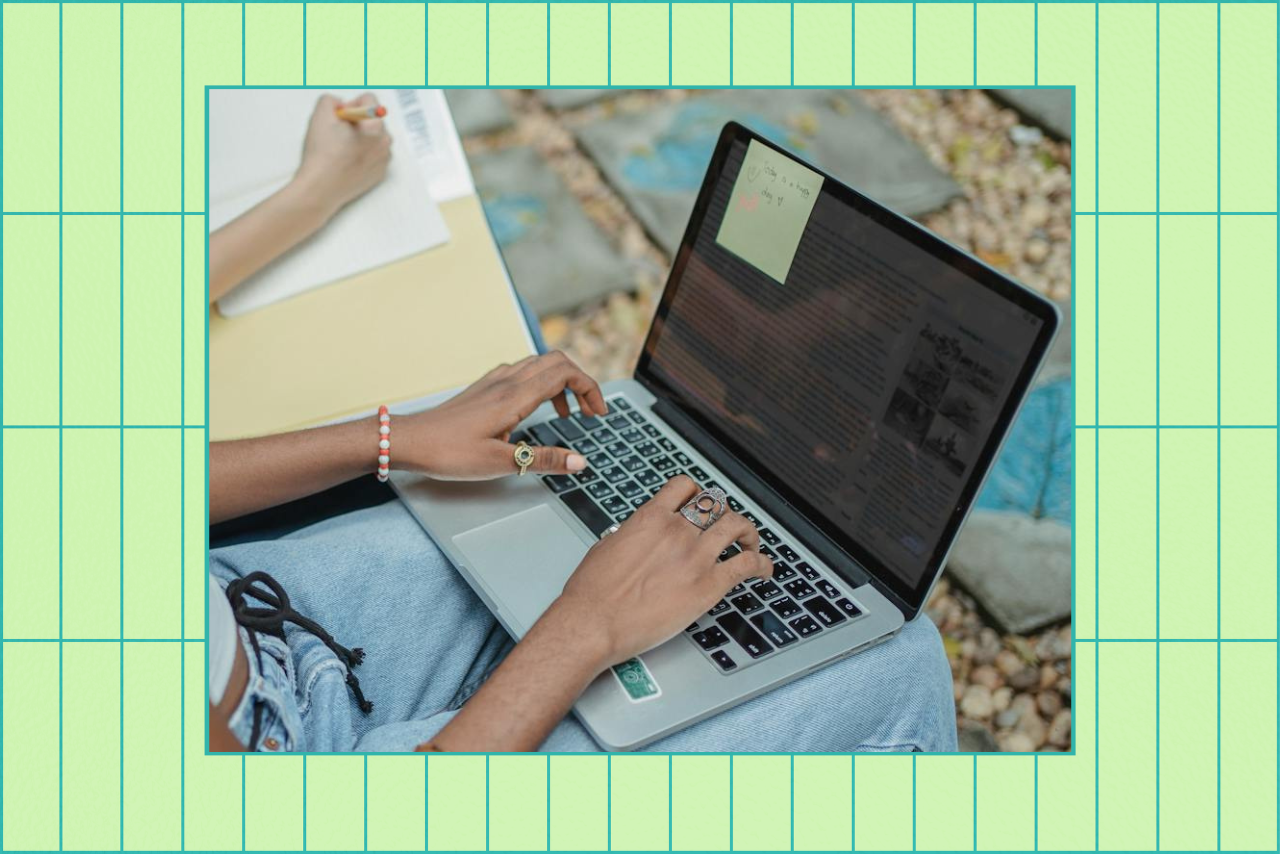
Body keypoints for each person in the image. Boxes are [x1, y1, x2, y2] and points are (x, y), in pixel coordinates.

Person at [207, 94, 958, 754]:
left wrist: (396, 435)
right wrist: (584, 628)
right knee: (901, 662)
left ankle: (761, 374)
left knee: (542, 410)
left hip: (261, 613)